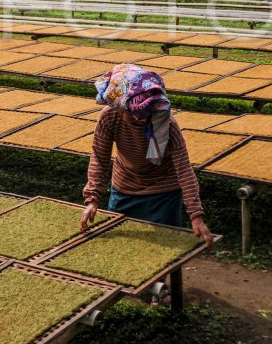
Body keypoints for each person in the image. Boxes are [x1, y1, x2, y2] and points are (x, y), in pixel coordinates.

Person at [80, 63, 214, 248]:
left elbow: (183, 168)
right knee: (122, 248)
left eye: (144, 113)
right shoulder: (109, 117)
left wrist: (196, 215)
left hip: (163, 191)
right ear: (119, 107)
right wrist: (92, 199)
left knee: (165, 250)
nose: (140, 117)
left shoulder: (167, 124)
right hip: (124, 187)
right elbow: (99, 158)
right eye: (133, 113)